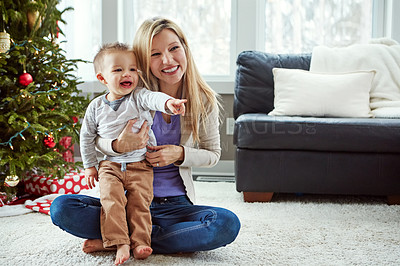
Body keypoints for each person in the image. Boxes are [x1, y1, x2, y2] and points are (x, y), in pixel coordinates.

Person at [50, 17, 240, 256]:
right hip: (127, 199)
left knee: (225, 224)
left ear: (185, 48)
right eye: (155, 54)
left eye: (173, 48)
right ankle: (137, 236)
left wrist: (180, 153)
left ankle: (123, 238)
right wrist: (118, 145)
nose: (168, 60)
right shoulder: (132, 95)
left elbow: (213, 155)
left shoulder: (203, 100)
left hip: (175, 205)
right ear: (142, 61)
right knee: (62, 208)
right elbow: (95, 137)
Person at [79, 42, 186, 264]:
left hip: (140, 165)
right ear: (102, 78)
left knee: (139, 204)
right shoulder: (96, 107)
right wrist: (90, 166)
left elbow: (154, 98)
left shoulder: (138, 97)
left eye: (132, 69)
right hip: (111, 166)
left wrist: (169, 103)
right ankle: (121, 243)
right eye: (118, 70)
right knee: (111, 201)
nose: (127, 74)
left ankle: (140, 242)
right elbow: (87, 137)